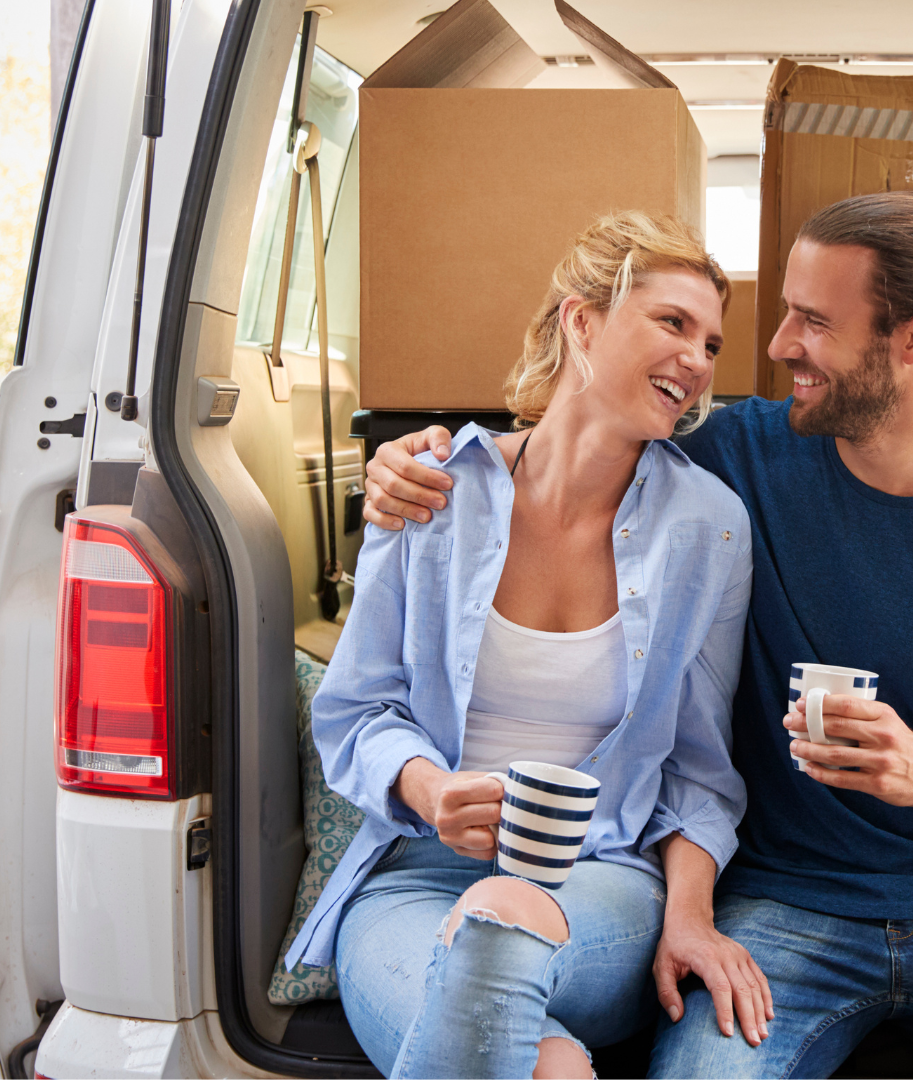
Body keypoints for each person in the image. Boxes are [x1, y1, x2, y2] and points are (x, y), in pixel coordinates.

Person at [361, 193, 913, 1079]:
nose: (778, 344)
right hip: (783, 905)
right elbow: (583, 429)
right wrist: (417, 461)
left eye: (813, 321)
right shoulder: (738, 454)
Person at [288, 212, 775, 1080]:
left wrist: (690, 918)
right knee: (540, 1064)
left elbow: (700, 771)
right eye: (672, 324)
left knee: (502, 919)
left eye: (710, 342)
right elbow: (358, 712)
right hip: (413, 878)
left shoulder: (710, 527)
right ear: (580, 323)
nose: (699, 362)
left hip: (601, 888)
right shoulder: (432, 492)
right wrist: (432, 790)